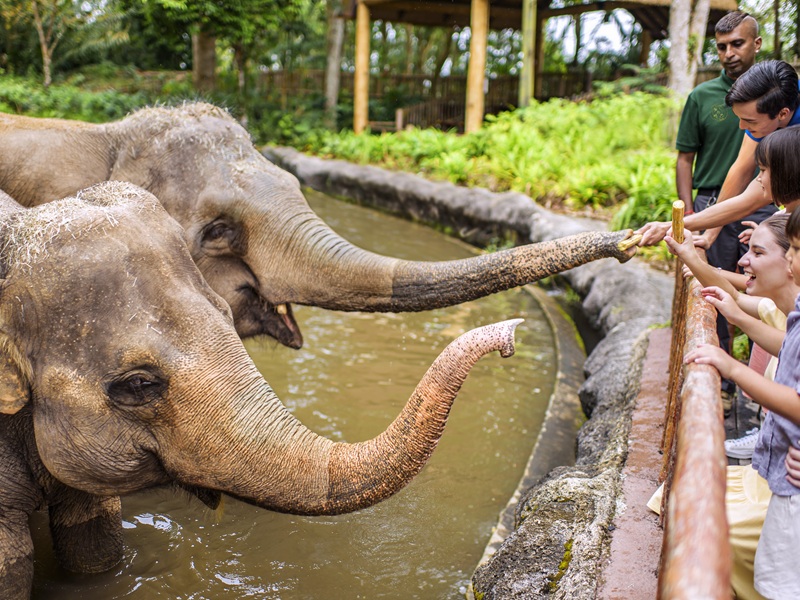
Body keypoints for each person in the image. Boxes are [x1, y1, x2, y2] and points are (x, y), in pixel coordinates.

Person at [684, 159, 800, 600]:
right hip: (778, 468)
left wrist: (731, 367)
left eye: (792, 251)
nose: (789, 260)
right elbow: (737, 297)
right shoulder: (790, 312)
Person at [672, 12, 772, 405]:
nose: (729, 53)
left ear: (757, 44)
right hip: (714, 197)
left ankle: (762, 377)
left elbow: (748, 173)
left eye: (738, 44)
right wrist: (688, 214)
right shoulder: (702, 96)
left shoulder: (778, 95)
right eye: (722, 46)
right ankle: (725, 380)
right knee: (712, 281)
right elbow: (688, 159)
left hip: (763, 200)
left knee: (762, 281)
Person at [638, 59, 800, 247]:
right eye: (739, 119)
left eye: (749, 121)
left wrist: (674, 225)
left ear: (783, 114)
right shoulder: (766, 110)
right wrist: (709, 235)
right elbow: (740, 171)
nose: (742, 127)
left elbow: (754, 198)